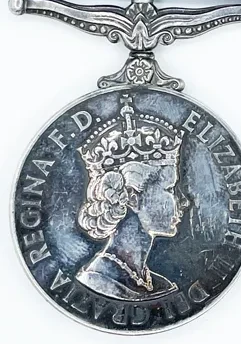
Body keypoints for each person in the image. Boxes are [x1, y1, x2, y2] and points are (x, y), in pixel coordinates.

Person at [75, 97, 189, 300]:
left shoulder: (159, 284)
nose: (184, 201)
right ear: (133, 199)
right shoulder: (98, 281)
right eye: (170, 189)